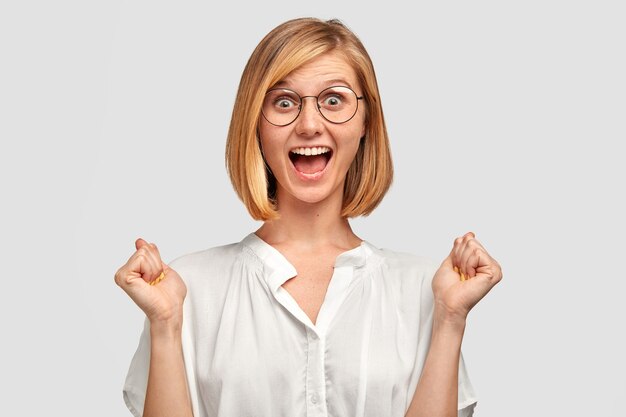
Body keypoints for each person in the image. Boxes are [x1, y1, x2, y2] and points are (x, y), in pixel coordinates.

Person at [115, 17, 502, 417]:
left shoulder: (427, 290)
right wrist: (164, 326)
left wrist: (451, 319)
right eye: (284, 102)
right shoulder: (187, 289)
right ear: (256, 122)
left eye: (334, 100)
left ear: (366, 120)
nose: (310, 125)